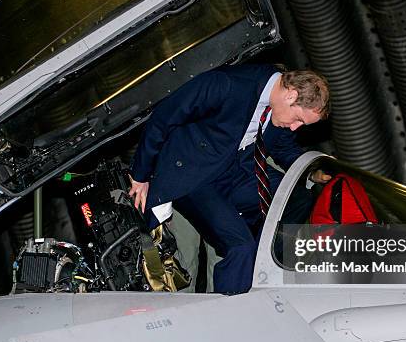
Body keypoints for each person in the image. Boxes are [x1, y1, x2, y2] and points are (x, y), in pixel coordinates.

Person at [129, 63, 331, 293]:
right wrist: (140, 175)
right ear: (291, 94)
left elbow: (283, 146)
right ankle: (226, 313)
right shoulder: (226, 85)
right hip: (196, 176)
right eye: (298, 120)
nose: (295, 128)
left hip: (235, 172)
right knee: (240, 247)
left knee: (298, 196)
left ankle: (271, 264)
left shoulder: (277, 110)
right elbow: (164, 118)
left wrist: (311, 171)